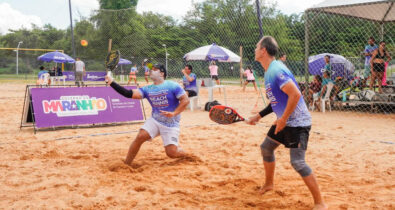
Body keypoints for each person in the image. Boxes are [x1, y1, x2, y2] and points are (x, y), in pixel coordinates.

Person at [245, 36, 327, 210]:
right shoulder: (269, 71)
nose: (254, 50)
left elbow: (296, 94)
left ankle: (320, 203)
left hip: (297, 123)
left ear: (263, 51)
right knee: (266, 148)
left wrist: (282, 119)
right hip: (285, 121)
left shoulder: (276, 70)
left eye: (256, 46)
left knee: (298, 162)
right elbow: (276, 101)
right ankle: (268, 185)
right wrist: (259, 116)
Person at [105, 63, 190, 166]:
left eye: (154, 69)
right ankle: (127, 164)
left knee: (171, 153)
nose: (151, 71)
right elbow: (127, 94)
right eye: (151, 69)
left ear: (162, 73)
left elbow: (185, 100)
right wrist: (112, 82)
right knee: (140, 136)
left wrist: (174, 113)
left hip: (171, 124)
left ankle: (189, 155)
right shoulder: (147, 89)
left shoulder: (172, 85)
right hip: (155, 120)